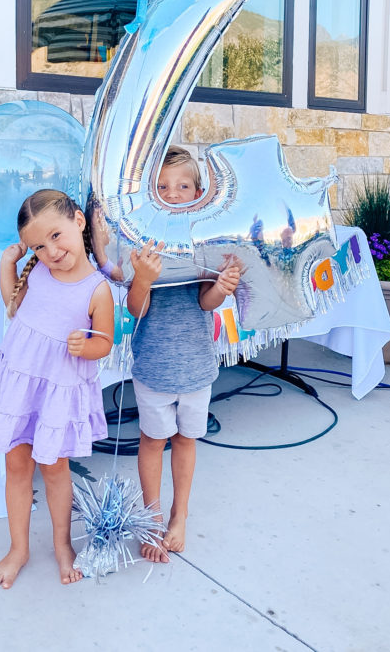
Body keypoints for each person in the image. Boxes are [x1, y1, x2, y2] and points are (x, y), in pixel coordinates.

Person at [0, 189, 114, 589]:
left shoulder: (96, 289)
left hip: (57, 393)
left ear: (79, 222)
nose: (51, 250)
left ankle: (62, 544)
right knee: (17, 467)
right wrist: (7, 265)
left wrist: (85, 347)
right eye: (39, 244)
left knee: (54, 470)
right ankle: (18, 548)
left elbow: (105, 343)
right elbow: (15, 308)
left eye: (56, 235)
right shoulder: (36, 272)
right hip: (20, 388)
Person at [126, 145, 241, 562]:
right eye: (162, 187)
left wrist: (222, 286)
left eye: (183, 185)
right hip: (154, 368)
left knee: (186, 440)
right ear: (149, 195)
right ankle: (152, 518)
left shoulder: (202, 244)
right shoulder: (141, 244)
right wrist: (142, 278)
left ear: (197, 193)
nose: (173, 193)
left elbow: (205, 303)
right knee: (153, 441)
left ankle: (180, 516)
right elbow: (136, 310)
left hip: (196, 368)